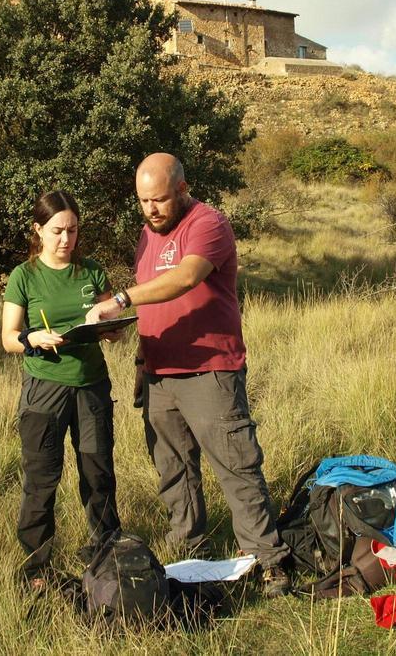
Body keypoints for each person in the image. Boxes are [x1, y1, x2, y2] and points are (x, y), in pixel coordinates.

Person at [85, 153, 293, 597]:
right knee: (173, 471)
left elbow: (184, 279)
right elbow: (156, 307)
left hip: (210, 371)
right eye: (143, 201)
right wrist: (139, 357)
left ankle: (267, 559)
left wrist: (121, 299)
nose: (151, 210)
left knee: (236, 465)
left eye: (159, 200)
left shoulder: (208, 224)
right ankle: (188, 552)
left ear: (182, 189)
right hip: (160, 373)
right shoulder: (146, 236)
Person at [1, 190, 121, 589]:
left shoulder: (92, 272)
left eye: (72, 230)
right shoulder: (25, 276)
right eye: (56, 231)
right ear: (38, 230)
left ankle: (107, 554)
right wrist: (34, 338)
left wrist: (111, 329)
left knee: (98, 472)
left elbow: (111, 323)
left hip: (91, 387)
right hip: (45, 390)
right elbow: (8, 337)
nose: (66, 239)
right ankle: (37, 567)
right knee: (41, 478)